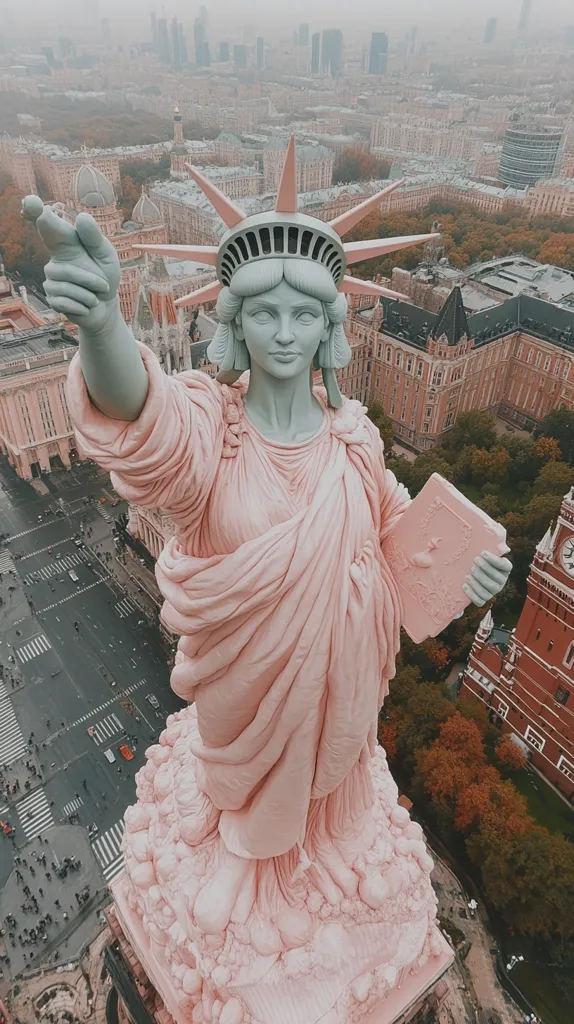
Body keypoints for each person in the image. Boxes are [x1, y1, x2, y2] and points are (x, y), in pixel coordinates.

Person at [24, 179, 511, 1017]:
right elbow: (145, 424)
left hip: (345, 711)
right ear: (234, 324)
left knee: (335, 796)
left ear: (331, 326)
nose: (285, 332)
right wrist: (103, 324)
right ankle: (250, 859)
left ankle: (320, 845)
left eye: (304, 314)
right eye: (263, 313)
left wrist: (470, 576)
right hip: (246, 711)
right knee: (251, 810)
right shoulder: (214, 430)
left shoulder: (356, 441)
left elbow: (399, 548)